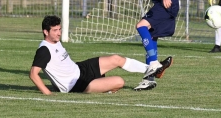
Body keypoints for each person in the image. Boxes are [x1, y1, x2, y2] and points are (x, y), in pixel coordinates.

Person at [29, 15, 173, 94]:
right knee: (119, 82)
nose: (59, 33)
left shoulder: (55, 41)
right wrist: (47, 92)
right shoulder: (44, 50)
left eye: (59, 29)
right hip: (77, 84)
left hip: (80, 69)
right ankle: (106, 87)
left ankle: (152, 69)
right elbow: (33, 74)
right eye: (55, 30)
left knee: (116, 59)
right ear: (45, 32)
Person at [122, 0, 179, 90]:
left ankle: (154, 64)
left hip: (166, 4)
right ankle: (149, 80)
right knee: (151, 37)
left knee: (141, 26)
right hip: (167, 4)